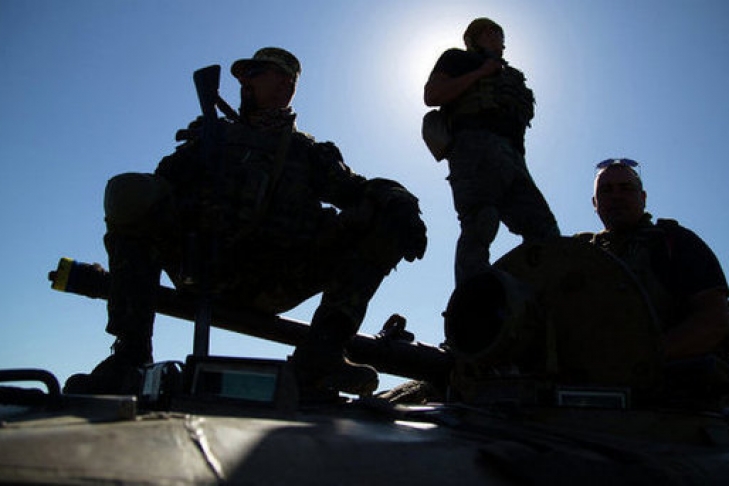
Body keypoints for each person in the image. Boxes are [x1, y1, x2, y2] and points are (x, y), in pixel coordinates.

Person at [64, 47, 427, 397]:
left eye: (256, 73)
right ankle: (130, 355)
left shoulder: (307, 154)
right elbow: (154, 196)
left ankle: (322, 355)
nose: (244, 82)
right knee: (130, 192)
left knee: (386, 213)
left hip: (276, 279)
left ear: (285, 86)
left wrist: (399, 199)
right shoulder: (210, 137)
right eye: (242, 76)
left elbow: (356, 190)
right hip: (202, 267)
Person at [423, 17, 559, 286]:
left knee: (545, 231)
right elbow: (433, 95)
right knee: (480, 222)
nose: (500, 40)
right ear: (479, 35)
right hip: (474, 147)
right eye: (493, 32)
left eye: (500, 34)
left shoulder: (512, 75)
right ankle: (471, 299)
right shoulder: (458, 59)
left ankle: (542, 296)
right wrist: (481, 72)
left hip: (513, 155)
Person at [578, 158, 729, 362]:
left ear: (643, 198)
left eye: (626, 188)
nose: (616, 196)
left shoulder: (675, 241)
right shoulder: (579, 254)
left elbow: (715, 319)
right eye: (606, 190)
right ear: (595, 203)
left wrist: (646, 356)